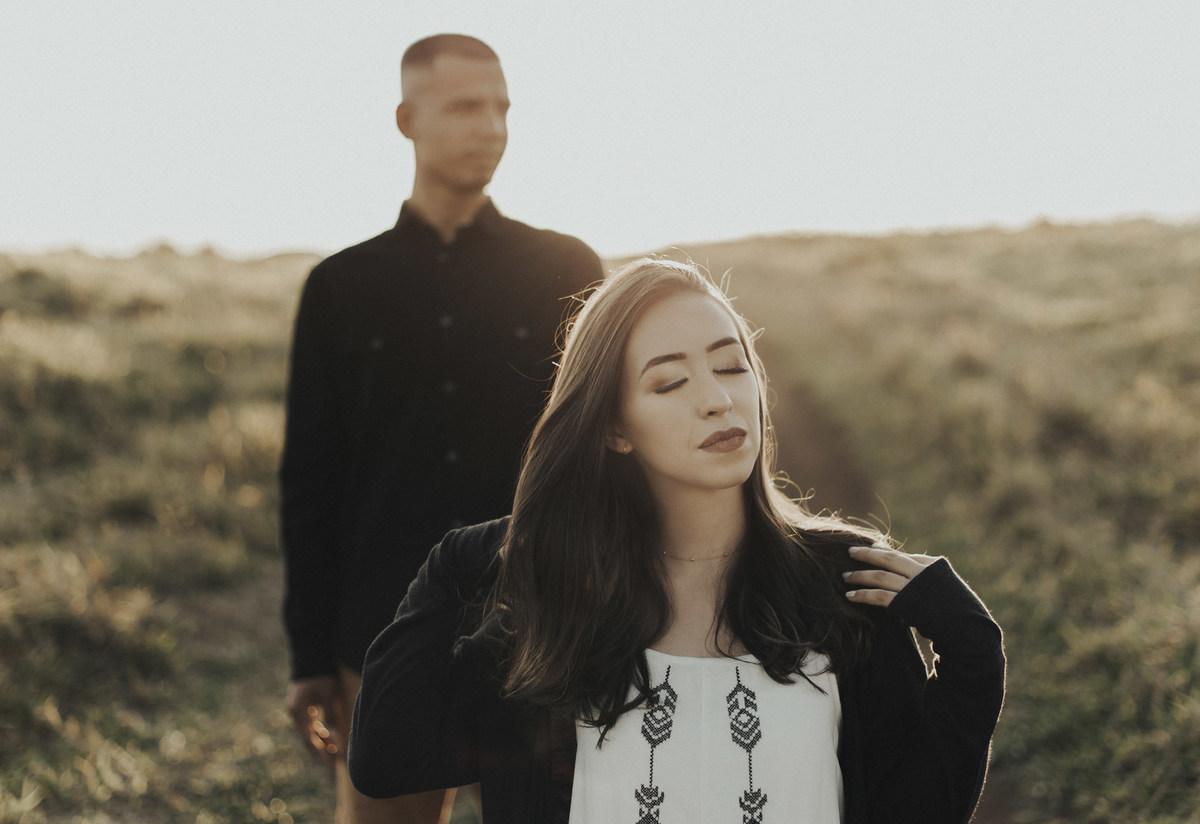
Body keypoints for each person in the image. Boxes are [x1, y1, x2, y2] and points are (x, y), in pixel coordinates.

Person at [348, 258, 1006, 824]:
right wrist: (451, 568)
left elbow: (913, 811)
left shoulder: (841, 589)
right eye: (670, 382)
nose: (718, 399)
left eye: (731, 366)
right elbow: (387, 758)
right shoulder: (555, 610)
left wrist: (972, 649)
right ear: (614, 428)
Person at [279, 33, 603, 823]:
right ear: (405, 119)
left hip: (547, 627)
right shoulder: (340, 286)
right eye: (464, 106)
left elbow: (611, 456)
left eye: (501, 108)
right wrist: (309, 656)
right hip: (385, 632)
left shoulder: (567, 270)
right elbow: (312, 478)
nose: (489, 126)